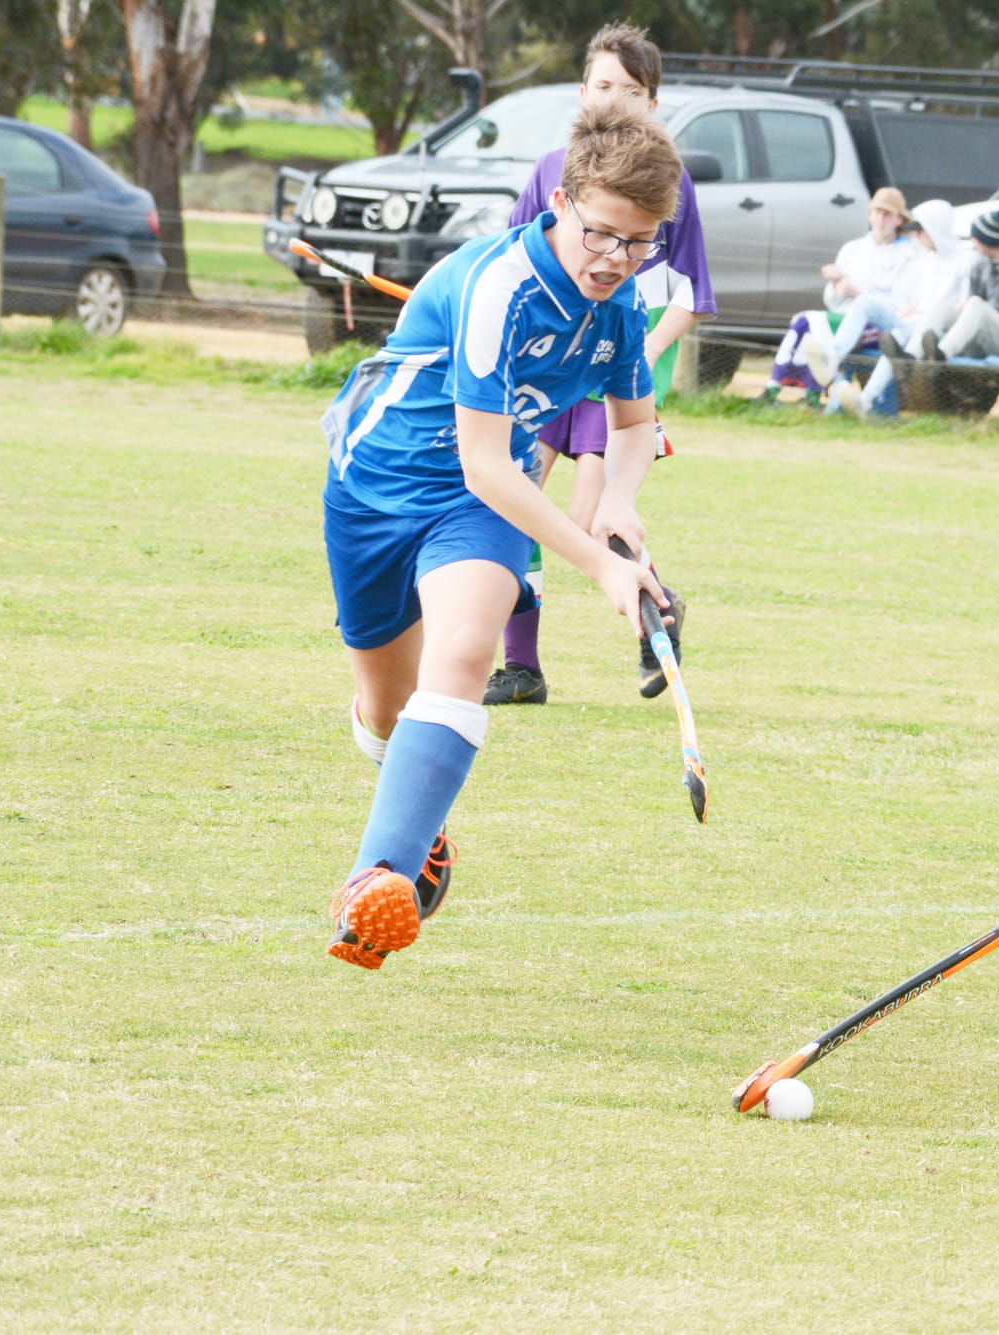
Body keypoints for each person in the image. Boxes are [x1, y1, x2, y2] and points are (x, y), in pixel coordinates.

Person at [318, 102, 679, 970]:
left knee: (469, 654)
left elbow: (632, 424)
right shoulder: (499, 286)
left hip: (480, 503)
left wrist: (619, 502)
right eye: (600, 235)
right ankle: (419, 825)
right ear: (560, 202)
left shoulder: (621, 306)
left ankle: (374, 883)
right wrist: (597, 564)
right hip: (377, 487)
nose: (614, 261)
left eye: (638, 245)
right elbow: (481, 458)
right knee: (384, 708)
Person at [485, 23, 715, 707]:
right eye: (604, 85)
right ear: (582, 92)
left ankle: (655, 607)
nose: (616, 99)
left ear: (653, 105)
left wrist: (637, 354)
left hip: (612, 365)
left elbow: (694, 296)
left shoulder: (668, 182)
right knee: (516, 496)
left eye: (633, 90)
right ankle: (520, 666)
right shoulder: (549, 172)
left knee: (590, 515)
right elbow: (509, 267)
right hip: (546, 363)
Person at [761, 187, 918, 406]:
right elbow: (832, 302)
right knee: (802, 320)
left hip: (879, 326)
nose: (881, 219)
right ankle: (774, 388)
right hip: (846, 318)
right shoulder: (853, 249)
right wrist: (837, 287)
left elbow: (903, 305)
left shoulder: (908, 255)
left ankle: (814, 392)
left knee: (818, 322)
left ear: (899, 220)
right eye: (877, 212)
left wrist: (858, 292)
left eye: (887, 214)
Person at [822, 198, 969, 416]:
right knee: (866, 304)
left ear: (935, 229)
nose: (917, 235)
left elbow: (962, 306)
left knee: (897, 341)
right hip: (908, 319)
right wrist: (906, 306)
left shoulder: (965, 259)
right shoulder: (923, 260)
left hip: (932, 333)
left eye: (921, 230)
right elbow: (904, 296)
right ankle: (832, 360)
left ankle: (866, 399)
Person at [927, 205, 999, 362]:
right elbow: (971, 309)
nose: (973, 243)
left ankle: (940, 356)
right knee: (941, 307)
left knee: (976, 305)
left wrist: (994, 313)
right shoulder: (980, 266)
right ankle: (910, 357)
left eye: (975, 239)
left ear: (986, 241)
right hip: (980, 336)